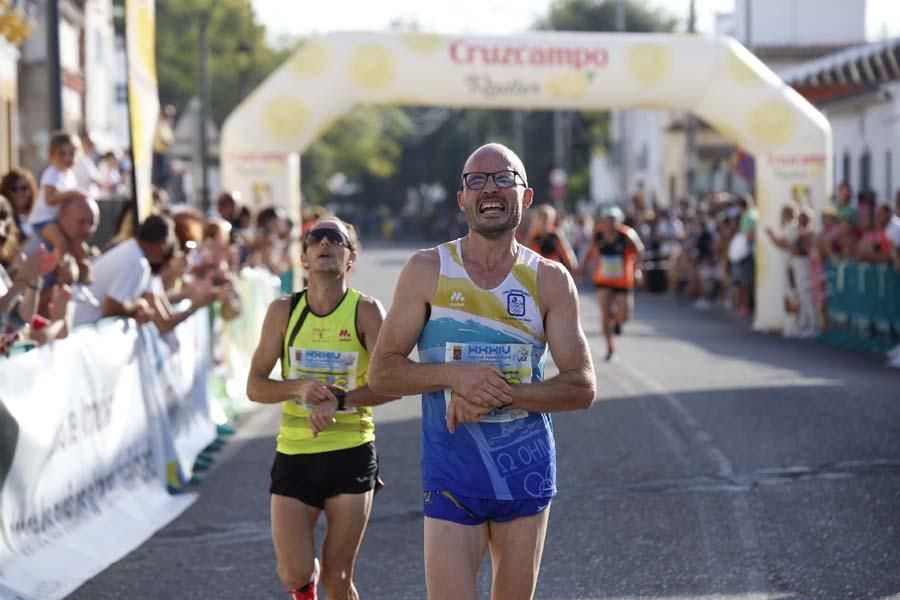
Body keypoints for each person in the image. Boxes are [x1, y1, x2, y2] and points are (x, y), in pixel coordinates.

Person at [368, 143, 596, 600]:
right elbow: (382, 373)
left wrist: (499, 392)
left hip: (524, 471)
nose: (490, 188)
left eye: (503, 178)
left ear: (525, 196)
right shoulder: (427, 270)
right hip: (451, 472)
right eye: (477, 180)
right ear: (462, 199)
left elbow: (582, 385)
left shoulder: (549, 279)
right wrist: (455, 377)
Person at [246, 217, 398, 600]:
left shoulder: (366, 311)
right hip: (296, 451)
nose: (326, 243)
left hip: (351, 450)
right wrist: (298, 386)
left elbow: (393, 385)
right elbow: (255, 386)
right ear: (304, 257)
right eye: (317, 237)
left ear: (351, 258)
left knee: (338, 576)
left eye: (337, 238)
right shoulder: (283, 311)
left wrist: (341, 401)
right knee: (292, 571)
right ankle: (304, 582)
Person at [71, 214, 173, 327]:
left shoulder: (131, 251)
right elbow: (111, 309)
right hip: (83, 330)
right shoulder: (136, 262)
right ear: (162, 244)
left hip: (81, 328)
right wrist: (138, 305)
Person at [27, 131, 92, 283]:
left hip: (56, 220)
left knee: (78, 245)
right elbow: (50, 199)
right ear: (52, 155)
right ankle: (57, 271)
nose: (68, 158)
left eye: (72, 154)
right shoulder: (52, 173)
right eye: (62, 154)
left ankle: (81, 271)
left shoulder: (68, 174)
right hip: (43, 220)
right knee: (61, 243)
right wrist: (72, 193)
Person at [582, 205, 644, 361]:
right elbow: (590, 251)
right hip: (603, 280)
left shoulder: (627, 235)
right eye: (608, 221)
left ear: (620, 222)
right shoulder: (598, 234)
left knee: (625, 316)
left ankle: (617, 321)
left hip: (623, 280)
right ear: (603, 221)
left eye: (614, 221)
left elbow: (640, 251)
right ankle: (610, 347)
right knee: (604, 313)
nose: (610, 224)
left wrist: (637, 269)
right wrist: (582, 268)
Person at [526, 203, 578, 275]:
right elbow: (525, 254)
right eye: (541, 218)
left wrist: (572, 268)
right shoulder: (533, 235)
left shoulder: (555, 235)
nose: (544, 221)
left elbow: (566, 253)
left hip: (553, 271)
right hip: (537, 272)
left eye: (546, 218)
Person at [0, 168, 38, 241]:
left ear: (31, 190)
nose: (19, 193)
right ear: (6, 191)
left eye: (24, 188)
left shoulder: (38, 217)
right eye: (14, 189)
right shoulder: (3, 219)